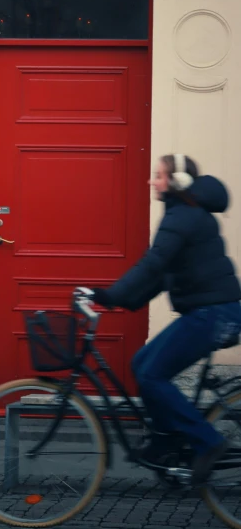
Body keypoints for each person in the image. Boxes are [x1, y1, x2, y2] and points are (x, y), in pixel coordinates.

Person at [88, 154, 241, 485]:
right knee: (142, 363)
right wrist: (117, 300)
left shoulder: (183, 216)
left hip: (213, 314)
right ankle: (167, 440)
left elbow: (152, 264)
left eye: (158, 175)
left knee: (153, 375)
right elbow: (159, 278)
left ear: (177, 182)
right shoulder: (183, 215)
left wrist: (110, 295)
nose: (151, 181)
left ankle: (209, 442)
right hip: (213, 312)